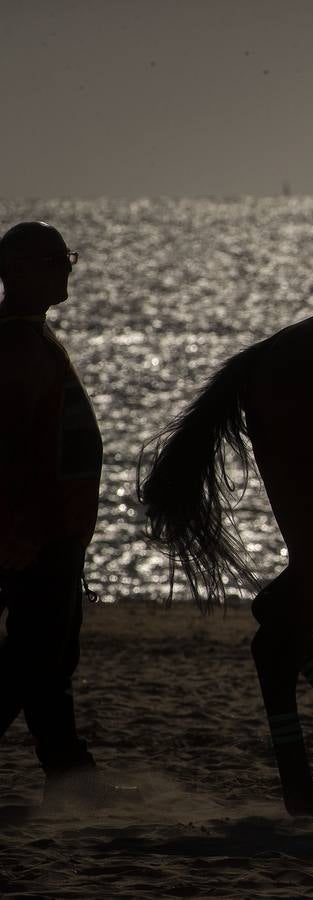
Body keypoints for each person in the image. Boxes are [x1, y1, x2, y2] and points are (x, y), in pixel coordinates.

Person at [0, 221, 104, 807]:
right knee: (34, 656)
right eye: (56, 260)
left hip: (53, 530)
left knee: (50, 657)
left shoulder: (29, 337)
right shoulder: (17, 346)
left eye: (67, 258)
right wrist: (16, 529)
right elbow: (10, 446)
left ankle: (71, 777)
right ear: (18, 270)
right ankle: (71, 776)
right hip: (37, 534)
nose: (66, 269)